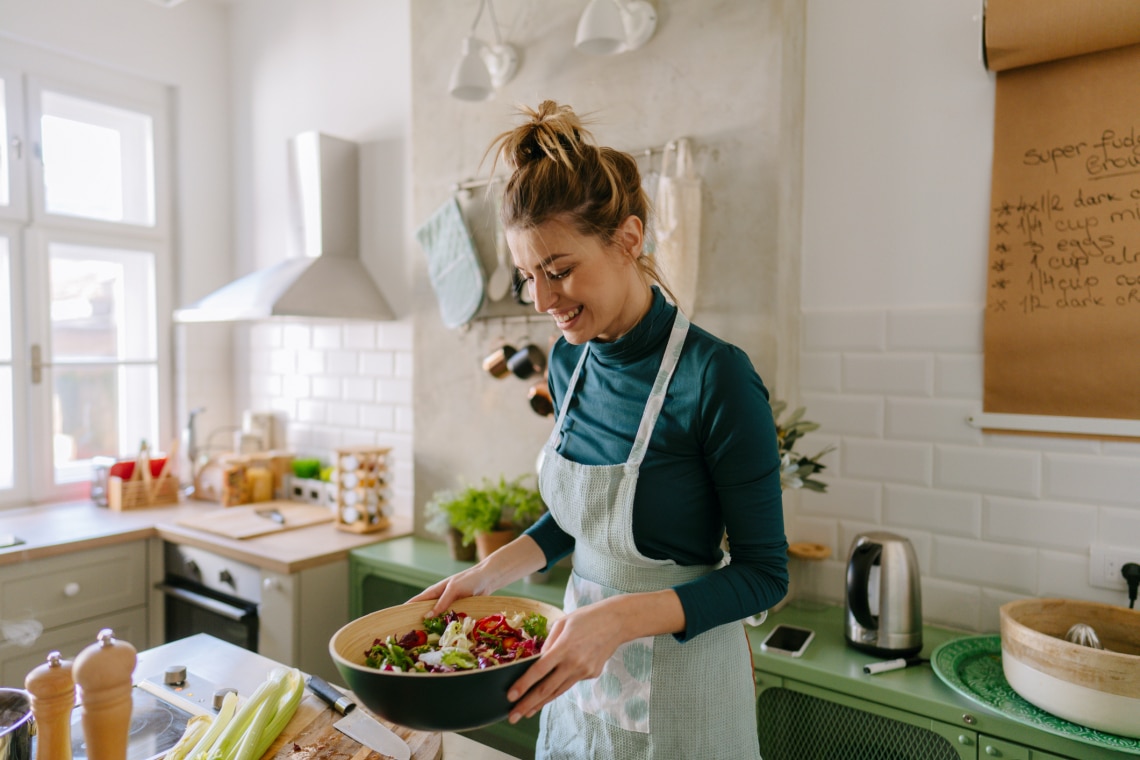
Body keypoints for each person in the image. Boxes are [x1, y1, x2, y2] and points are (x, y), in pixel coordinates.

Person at [411, 100, 788, 759]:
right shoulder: (569, 359)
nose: (542, 301)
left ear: (628, 239)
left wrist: (615, 620)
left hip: (684, 676)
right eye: (528, 276)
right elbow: (582, 518)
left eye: (558, 270)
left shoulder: (716, 377)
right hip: (582, 665)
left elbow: (764, 574)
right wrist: (491, 572)